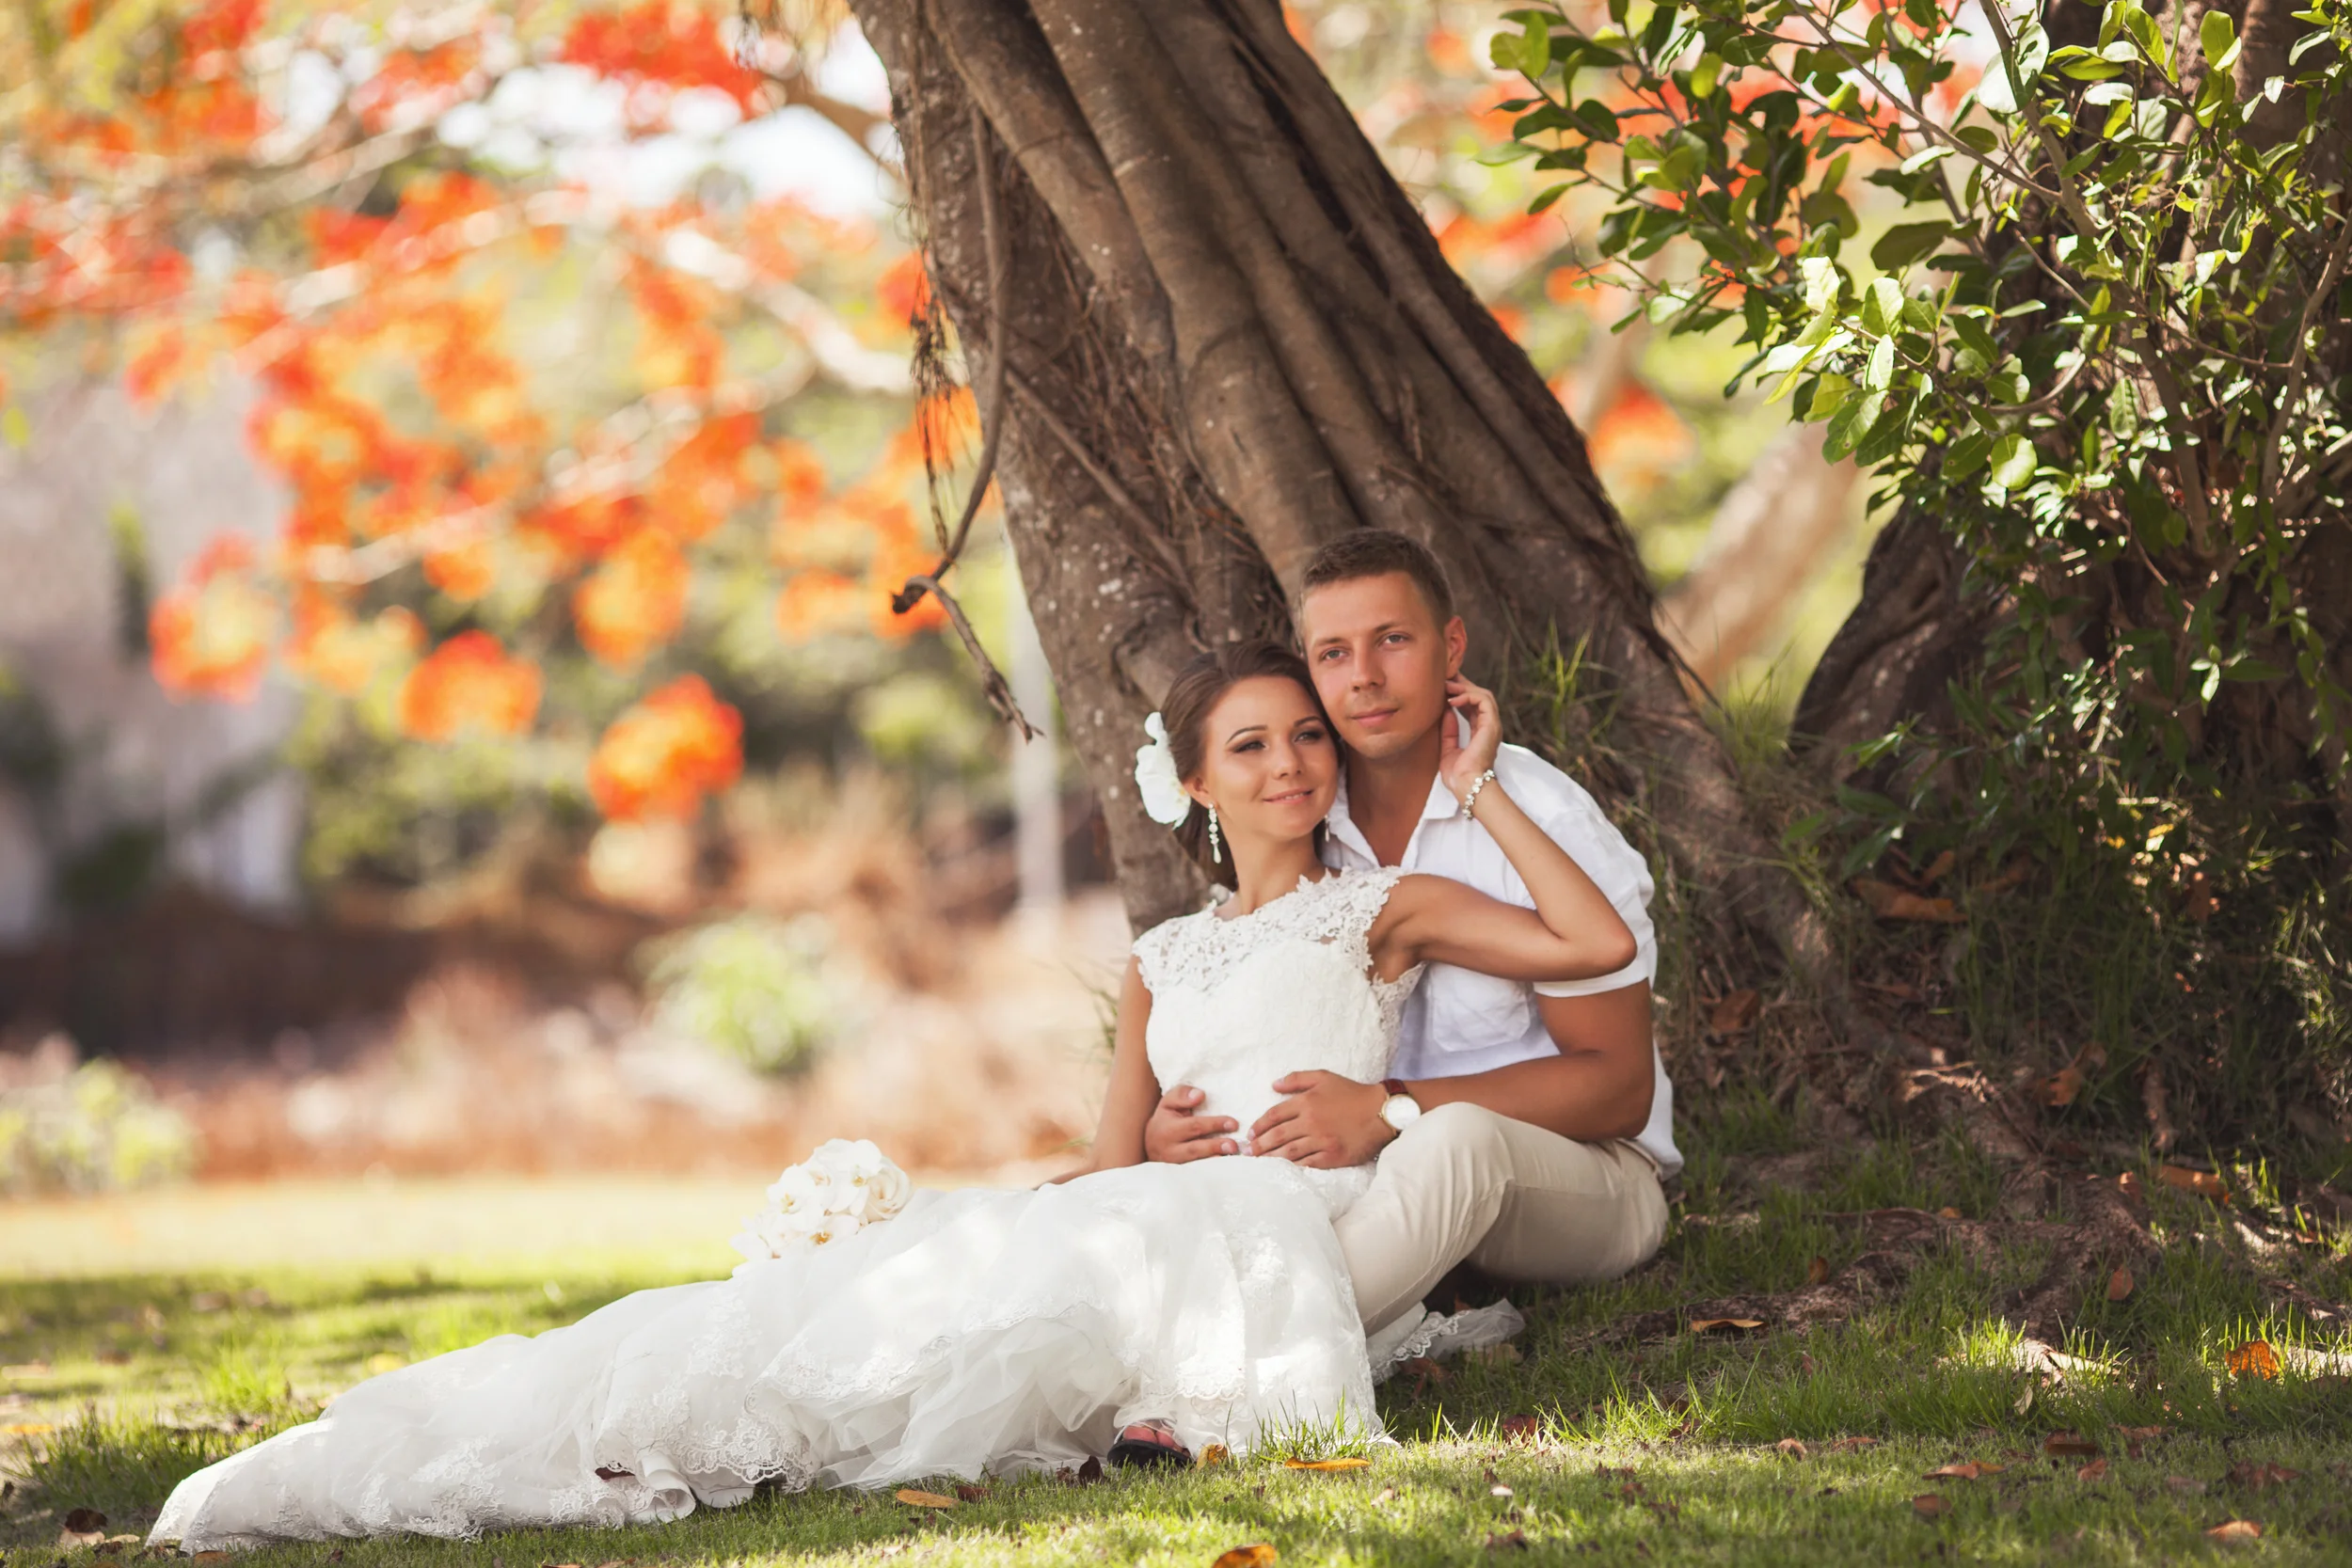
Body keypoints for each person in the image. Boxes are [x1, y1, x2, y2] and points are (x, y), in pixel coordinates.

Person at [148, 641, 1634, 1553]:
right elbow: (1104, 1159)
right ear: (1193, 782)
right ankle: (620, 1427)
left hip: (1308, 1206)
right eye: (1252, 743)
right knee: (896, 1319)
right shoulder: (1160, 954)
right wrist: (1149, 1139)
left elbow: (1595, 944)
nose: (1295, 761)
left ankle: (1160, 1399)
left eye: (1305, 732)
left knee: (1069, 1321)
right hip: (1159, 1205)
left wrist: (1478, 775)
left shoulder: (1382, 908)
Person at [1144, 532, 1677, 1351]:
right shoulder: (1306, 806)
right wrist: (1168, 1133)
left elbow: (1619, 1091)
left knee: (1455, 1139)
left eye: (1392, 639)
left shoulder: (1542, 820)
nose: (1364, 675)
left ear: (1450, 645)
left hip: (1579, 1176)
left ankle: (1226, 1359)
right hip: (1374, 1189)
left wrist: (1393, 1107)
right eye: (1334, 652)